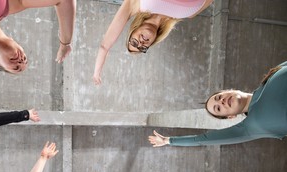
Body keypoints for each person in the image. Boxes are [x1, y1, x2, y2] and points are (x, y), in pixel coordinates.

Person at [148, 61, 287, 147]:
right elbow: (202, 140)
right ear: (230, 117)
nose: (221, 101)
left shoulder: (274, 73)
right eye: (218, 108)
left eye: (219, 97)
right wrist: (169, 141)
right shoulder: (250, 127)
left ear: (231, 90)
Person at [93, 0, 213, 85]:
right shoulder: (190, 13)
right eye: (142, 48)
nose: (140, 44)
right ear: (151, 43)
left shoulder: (134, 5)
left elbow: (104, 46)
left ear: (133, 30)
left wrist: (97, 73)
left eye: (134, 42)